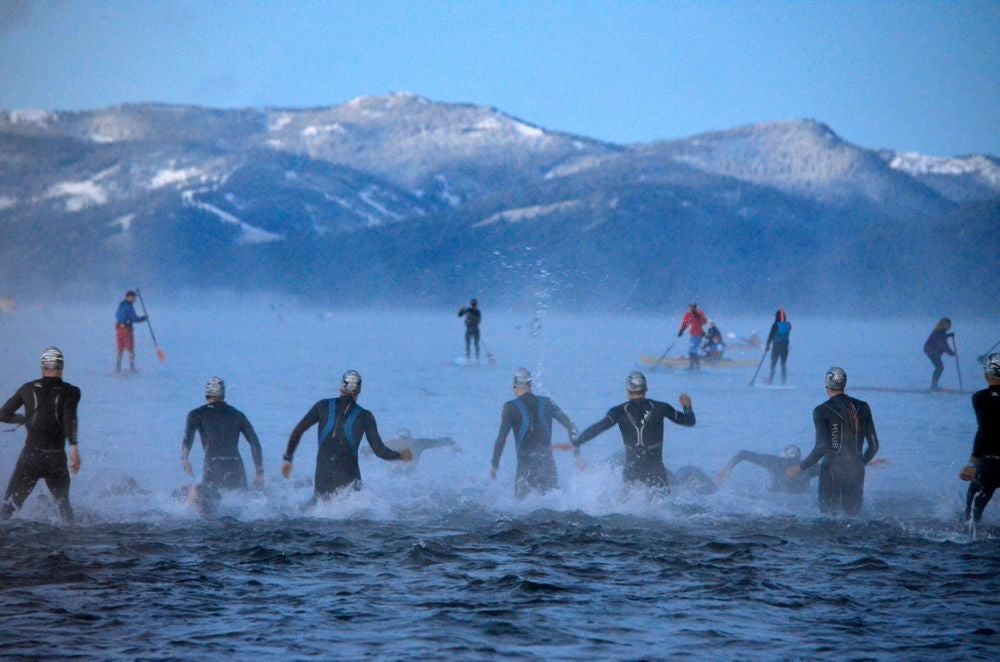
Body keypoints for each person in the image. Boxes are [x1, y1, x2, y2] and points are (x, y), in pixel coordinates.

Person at [281, 370, 412, 499]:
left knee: (319, 508)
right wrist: (400, 456)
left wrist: (288, 459)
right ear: (359, 391)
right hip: (349, 481)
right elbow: (380, 451)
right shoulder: (365, 416)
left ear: (341, 387)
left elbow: (298, 431)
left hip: (323, 478)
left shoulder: (322, 406)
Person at [573, 371, 695, 490]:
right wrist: (687, 406)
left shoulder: (618, 411)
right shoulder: (661, 408)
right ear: (645, 389)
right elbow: (689, 421)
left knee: (629, 504)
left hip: (631, 471)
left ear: (628, 390)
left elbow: (597, 428)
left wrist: (577, 445)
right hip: (655, 470)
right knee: (663, 505)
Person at [0, 347, 81, 522]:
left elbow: (3, 415)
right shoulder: (71, 392)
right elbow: (69, 418)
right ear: (62, 367)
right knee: (64, 507)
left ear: (42, 367)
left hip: (30, 457)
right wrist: (73, 447)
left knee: (8, 509)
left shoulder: (27, 388)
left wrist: (23, 419)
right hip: (56, 459)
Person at [787, 367, 879, 516]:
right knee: (853, 519)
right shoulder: (863, 406)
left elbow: (822, 447)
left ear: (827, 385)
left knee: (828, 518)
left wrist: (800, 467)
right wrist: (861, 463)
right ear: (844, 384)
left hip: (832, 470)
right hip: (856, 470)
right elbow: (874, 446)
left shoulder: (821, 410)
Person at [491, 368, 577, 498]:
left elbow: (501, 439)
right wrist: (577, 455)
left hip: (526, 467)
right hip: (548, 465)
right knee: (552, 506)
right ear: (530, 384)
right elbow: (571, 426)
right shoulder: (547, 402)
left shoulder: (510, 407)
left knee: (522, 510)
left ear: (514, 385)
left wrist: (495, 464)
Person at [181, 377, 264, 511]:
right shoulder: (237, 414)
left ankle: (188, 510)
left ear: (206, 395)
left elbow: (188, 437)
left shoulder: (196, 414)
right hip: (236, 466)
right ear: (223, 395)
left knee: (207, 504)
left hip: (213, 465)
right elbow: (254, 442)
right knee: (241, 506)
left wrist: (185, 458)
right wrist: (259, 473)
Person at [959, 354, 1000, 524]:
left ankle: (971, 533)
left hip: (990, 460)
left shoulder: (980, 397)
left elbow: (985, 429)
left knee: (973, 505)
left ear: (987, 375)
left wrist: (972, 464)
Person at [717, 445, 820, 493]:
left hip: (775, 497)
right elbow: (831, 470)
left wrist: (728, 469)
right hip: (794, 496)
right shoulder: (809, 467)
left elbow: (743, 454)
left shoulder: (774, 462)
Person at [363, 428, 460, 465]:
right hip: (393, 477)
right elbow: (367, 449)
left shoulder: (419, 443)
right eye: (401, 439)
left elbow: (443, 441)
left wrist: (453, 446)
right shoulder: (391, 444)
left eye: (405, 439)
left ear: (410, 439)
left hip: (409, 477)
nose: (402, 442)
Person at [115, 290, 148, 372]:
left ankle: (118, 368)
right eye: (132, 297)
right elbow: (135, 318)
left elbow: (116, 315)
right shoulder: (128, 307)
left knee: (120, 349)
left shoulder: (121, 305)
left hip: (119, 330)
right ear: (127, 297)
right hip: (126, 330)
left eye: (134, 298)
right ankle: (132, 368)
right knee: (130, 349)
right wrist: (144, 318)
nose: (134, 299)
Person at [923, 318, 955, 390]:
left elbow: (942, 339)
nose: (949, 326)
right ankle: (934, 386)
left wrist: (948, 335)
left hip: (932, 351)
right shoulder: (939, 332)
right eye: (947, 324)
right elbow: (943, 344)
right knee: (939, 367)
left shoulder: (941, 332)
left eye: (949, 324)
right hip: (931, 351)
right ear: (943, 324)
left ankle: (934, 386)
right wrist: (951, 353)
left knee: (939, 367)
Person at [677, 303, 708, 370]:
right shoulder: (688, 314)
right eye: (690, 307)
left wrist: (698, 316)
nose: (691, 308)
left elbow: (704, 321)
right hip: (692, 334)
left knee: (692, 351)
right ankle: (694, 366)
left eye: (692, 307)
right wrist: (681, 331)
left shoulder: (699, 313)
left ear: (695, 307)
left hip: (699, 334)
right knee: (692, 351)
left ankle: (694, 366)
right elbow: (684, 323)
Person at [765, 309, 792, 385]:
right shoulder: (788, 325)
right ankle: (784, 380)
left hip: (776, 346)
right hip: (785, 347)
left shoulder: (775, 325)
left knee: (773, 363)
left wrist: (767, 345)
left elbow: (771, 336)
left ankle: (770, 379)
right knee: (783, 364)